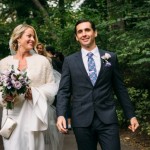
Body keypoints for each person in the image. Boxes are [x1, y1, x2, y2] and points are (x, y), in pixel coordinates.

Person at [56, 19, 139, 150]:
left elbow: (120, 88)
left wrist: (131, 115)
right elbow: (64, 91)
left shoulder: (110, 57)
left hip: (107, 119)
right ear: (76, 37)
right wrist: (61, 114)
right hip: (81, 120)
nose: (84, 34)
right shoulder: (69, 61)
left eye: (87, 30)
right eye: (80, 32)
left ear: (95, 33)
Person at [0, 24, 63, 150]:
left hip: (34, 115)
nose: (33, 39)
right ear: (18, 38)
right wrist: (5, 97)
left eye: (34, 36)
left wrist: (34, 93)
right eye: (29, 36)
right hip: (11, 116)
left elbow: (52, 86)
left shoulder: (43, 61)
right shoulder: (4, 63)